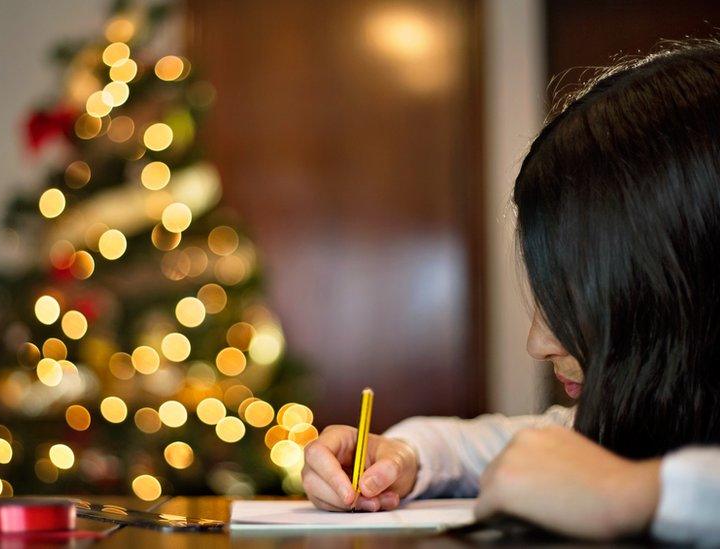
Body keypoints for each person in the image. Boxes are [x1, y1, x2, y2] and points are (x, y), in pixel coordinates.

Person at [302, 40, 720, 544]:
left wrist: (633, 494)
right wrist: (401, 457)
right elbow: (489, 447)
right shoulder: (641, 426)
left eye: (573, 296)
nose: (538, 343)